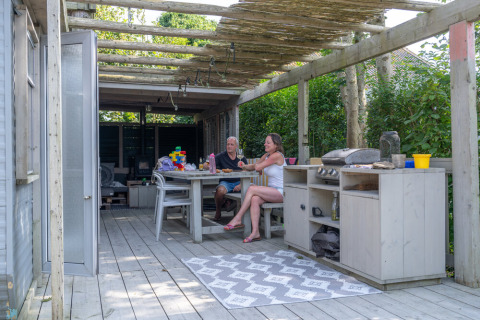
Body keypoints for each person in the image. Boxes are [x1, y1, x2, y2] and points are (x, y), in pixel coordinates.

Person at [223, 133, 286, 243]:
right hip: (272, 190)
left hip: (281, 191)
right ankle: (255, 232)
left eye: (268, 142)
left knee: (251, 188)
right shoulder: (266, 156)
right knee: (254, 199)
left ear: (276, 145)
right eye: (265, 142)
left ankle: (238, 218)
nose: (265, 144)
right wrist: (244, 166)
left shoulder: (277, 155)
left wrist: (258, 167)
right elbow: (254, 166)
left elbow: (258, 167)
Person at [204, 136, 248, 221]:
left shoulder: (241, 157)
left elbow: (246, 172)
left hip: (239, 182)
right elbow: (208, 164)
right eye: (228, 144)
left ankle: (242, 215)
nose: (229, 146)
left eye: (232, 144)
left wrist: (240, 184)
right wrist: (206, 165)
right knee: (220, 191)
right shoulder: (221, 156)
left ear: (236, 147)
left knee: (252, 190)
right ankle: (218, 211)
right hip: (226, 183)